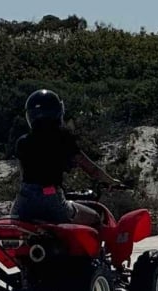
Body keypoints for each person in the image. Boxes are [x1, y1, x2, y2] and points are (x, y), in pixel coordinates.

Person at [10, 89, 119, 225]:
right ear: (58, 112)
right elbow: (92, 170)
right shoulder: (63, 138)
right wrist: (111, 181)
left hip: (23, 205)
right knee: (95, 217)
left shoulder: (22, 142)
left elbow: (25, 178)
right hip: (52, 202)